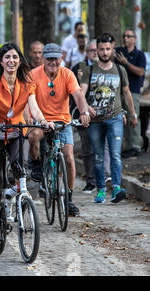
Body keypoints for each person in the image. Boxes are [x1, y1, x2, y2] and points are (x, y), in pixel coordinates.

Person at [0, 43, 52, 249]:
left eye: (14, 57)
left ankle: (14, 196)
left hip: (15, 136)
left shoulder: (27, 84)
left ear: (19, 61)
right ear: (1, 61)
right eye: (7, 57)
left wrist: (43, 121)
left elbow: (35, 108)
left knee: (21, 175)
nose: (11, 61)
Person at [27, 43, 90, 217]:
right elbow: (28, 98)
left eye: (56, 58)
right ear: (43, 59)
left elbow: (77, 94)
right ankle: (36, 164)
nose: (53, 62)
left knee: (68, 157)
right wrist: (31, 117)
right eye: (49, 58)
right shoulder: (33, 75)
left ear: (61, 59)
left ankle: (69, 199)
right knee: (33, 137)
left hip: (62, 121)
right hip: (41, 121)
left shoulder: (68, 74)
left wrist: (83, 111)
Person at [80, 33, 137, 204]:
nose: (104, 52)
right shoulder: (89, 71)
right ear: (96, 50)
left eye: (107, 49)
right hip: (95, 121)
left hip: (115, 118)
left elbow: (126, 93)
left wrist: (132, 113)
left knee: (115, 155)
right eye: (101, 49)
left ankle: (117, 188)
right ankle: (101, 190)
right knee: (98, 157)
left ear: (112, 49)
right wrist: (86, 108)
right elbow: (81, 93)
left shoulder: (120, 70)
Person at [70, 39, 98, 194]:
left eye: (96, 50)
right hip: (82, 113)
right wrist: (85, 107)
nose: (95, 53)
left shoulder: (104, 68)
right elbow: (75, 92)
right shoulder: (77, 68)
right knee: (87, 148)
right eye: (92, 51)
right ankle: (91, 181)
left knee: (101, 148)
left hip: (102, 114)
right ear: (86, 52)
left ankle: (103, 180)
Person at [116, 28, 147, 158]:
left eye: (129, 36)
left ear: (135, 39)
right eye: (124, 36)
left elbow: (140, 72)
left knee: (133, 117)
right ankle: (126, 146)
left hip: (133, 90)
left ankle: (135, 146)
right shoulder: (119, 52)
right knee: (121, 118)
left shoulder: (140, 54)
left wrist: (126, 63)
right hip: (118, 90)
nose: (125, 38)